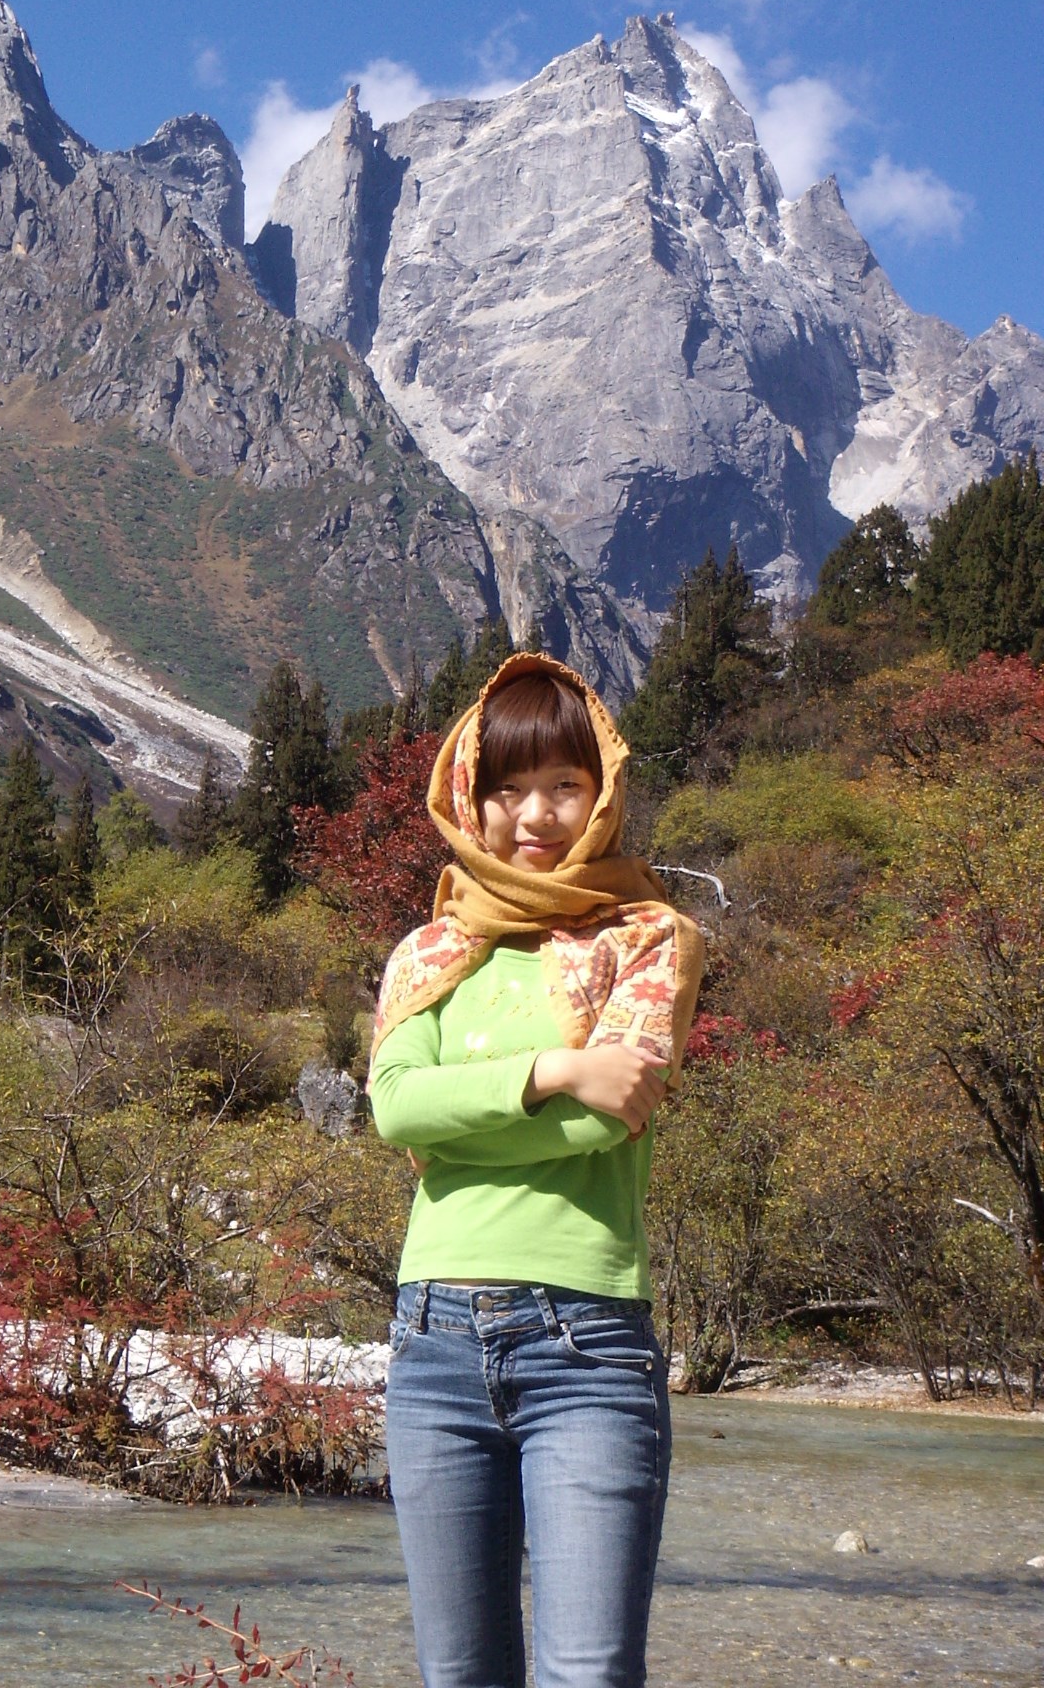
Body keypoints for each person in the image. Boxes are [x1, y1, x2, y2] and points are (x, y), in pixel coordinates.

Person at [369, 651, 704, 1688]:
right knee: (458, 1674)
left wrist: (475, 1115)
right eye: (508, 787)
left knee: (587, 1673)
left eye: (564, 784)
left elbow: (614, 1118)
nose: (536, 813)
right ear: (470, 795)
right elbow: (394, 1110)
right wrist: (558, 1067)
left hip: (588, 1346)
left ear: (601, 791)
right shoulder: (431, 950)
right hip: (432, 1345)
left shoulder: (650, 935)